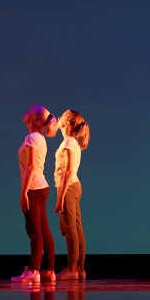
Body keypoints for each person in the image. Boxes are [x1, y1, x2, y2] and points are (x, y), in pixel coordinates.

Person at [12, 105, 58, 283]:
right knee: (44, 230)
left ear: (33, 119)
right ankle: (49, 270)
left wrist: (24, 192)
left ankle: (33, 271)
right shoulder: (40, 138)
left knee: (34, 231)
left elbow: (31, 167)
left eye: (28, 111)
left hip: (33, 188)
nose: (25, 112)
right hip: (41, 187)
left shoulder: (31, 138)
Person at [54, 110, 90, 281]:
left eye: (62, 116)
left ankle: (72, 268)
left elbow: (67, 171)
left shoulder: (68, 142)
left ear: (67, 123)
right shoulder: (72, 142)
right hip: (73, 186)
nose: (58, 118)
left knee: (69, 228)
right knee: (76, 227)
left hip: (68, 187)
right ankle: (79, 268)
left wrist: (60, 197)